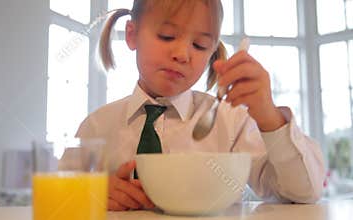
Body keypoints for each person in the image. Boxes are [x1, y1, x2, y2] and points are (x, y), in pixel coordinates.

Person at [75, 0, 325, 211]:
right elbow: (57, 197)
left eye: (199, 45)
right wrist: (90, 194)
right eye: (167, 36)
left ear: (212, 52)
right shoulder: (95, 127)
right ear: (131, 35)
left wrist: (270, 119)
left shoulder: (232, 122)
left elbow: (303, 192)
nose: (182, 54)